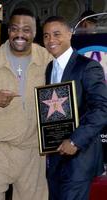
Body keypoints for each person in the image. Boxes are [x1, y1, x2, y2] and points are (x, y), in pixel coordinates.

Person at [0, 8, 52, 200]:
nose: (20, 34)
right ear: (8, 31)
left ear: (35, 33)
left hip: (32, 151)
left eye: (26, 29)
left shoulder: (46, 60)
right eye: (15, 28)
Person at [43, 16, 107, 200]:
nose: (51, 40)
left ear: (70, 34)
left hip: (80, 158)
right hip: (55, 158)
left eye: (57, 34)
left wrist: (74, 141)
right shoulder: (49, 68)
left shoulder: (88, 66)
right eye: (46, 36)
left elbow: (102, 108)